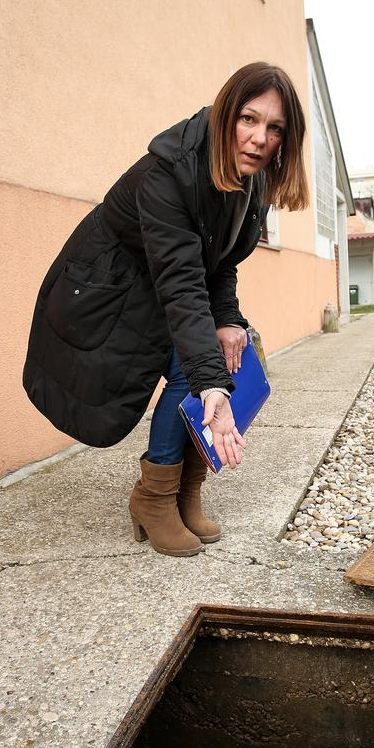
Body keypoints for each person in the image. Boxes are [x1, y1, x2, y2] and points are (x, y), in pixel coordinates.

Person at [23, 62, 309, 558]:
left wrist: (227, 320)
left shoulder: (251, 181)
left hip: (167, 286)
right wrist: (211, 377)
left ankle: (183, 493)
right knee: (196, 375)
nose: (260, 137)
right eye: (248, 118)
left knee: (219, 361)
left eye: (274, 127)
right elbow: (180, 277)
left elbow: (219, 262)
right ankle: (153, 499)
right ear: (224, 115)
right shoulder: (169, 172)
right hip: (112, 289)